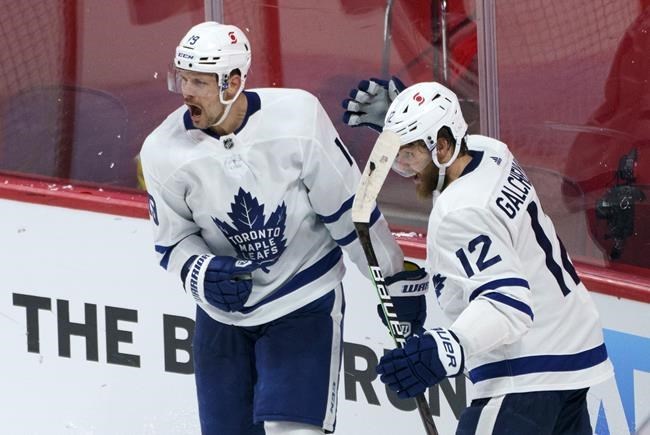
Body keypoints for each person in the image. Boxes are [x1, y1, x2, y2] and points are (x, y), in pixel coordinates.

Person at [139, 21, 429, 435]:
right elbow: (172, 239)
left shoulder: (297, 119)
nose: (186, 92)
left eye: (200, 82)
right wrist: (200, 273)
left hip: (302, 301)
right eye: (183, 79)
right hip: (223, 318)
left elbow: (350, 213)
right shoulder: (163, 150)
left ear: (233, 82)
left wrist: (393, 276)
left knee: (292, 430)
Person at [343, 80, 614, 433]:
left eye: (409, 155)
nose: (404, 170)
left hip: (527, 371)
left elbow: (508, 305)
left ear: (441, 146)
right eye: (397, 156)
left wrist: (444, 348)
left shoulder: (461, 210)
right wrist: (403, 127)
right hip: (572, 349)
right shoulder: (492, 152)